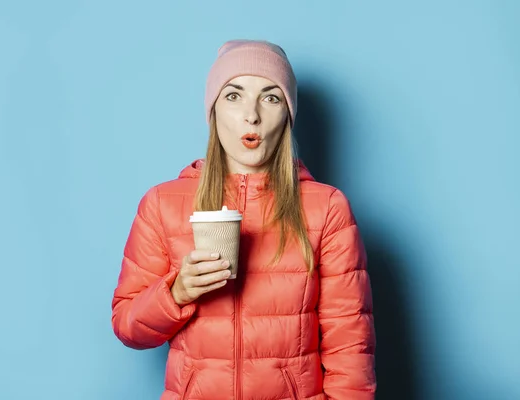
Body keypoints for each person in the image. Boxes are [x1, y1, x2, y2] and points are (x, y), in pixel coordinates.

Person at [111, 39, 376, 400]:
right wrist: (176, 293)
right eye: (234, 96)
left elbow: (351, 350)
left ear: (287, 114)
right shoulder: (162, 204)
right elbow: (129, 327)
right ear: (214, 110)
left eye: (271, 97)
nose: (252, 115)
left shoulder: (327, 208)